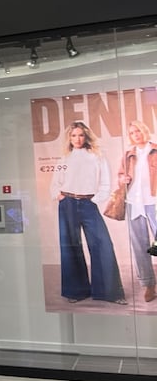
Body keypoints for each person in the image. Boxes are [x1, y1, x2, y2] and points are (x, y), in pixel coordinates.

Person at [50, 121, 126, 305]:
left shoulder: (97, 155)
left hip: (88, 203)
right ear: (70, 138)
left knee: (102, 244)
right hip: (67, 203)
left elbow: (106, 182)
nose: (77, 139)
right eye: (74, 135)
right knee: (70, 246)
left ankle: (110, 292)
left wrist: (95, 200)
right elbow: (55, 182)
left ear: (86, 136)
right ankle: (76, 291)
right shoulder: (64, 157)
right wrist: (57, 195)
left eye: (81, 135)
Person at [119, 120, 157, 303]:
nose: (136, 134)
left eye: (138, 131)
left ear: (145, 130)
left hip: (154, 202)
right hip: (134, 202)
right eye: (132, 132)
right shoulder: (128, 155)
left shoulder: (156, 149)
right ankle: (149, 285)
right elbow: (120, 175)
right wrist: (123, 178)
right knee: (140, 246)